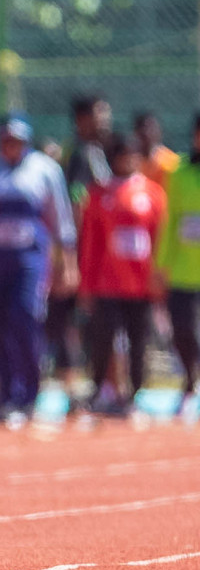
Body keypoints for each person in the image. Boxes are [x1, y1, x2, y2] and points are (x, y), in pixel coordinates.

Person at [0, 116, 77, 427]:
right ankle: (6, 396)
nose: (11, 147)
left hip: (30, 260)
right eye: (6, 140)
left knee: (25, 317)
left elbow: (61, 219)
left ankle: (28, 393)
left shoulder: (45, 170)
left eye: (18, 141)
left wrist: (68, 264)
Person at [78, 134, 164, 417]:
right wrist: (87, 285)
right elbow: (90, 244)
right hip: (108, 284)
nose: (128, 160)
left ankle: (134, 393)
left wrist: (159, 276)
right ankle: (99, 389)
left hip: (141, 285)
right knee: (104, 337)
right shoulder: (99, 194)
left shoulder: (152, 194)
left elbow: (159, 238)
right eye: (122, 154)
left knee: (139, 341)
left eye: (132, 154)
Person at [46, 94, 111, 407]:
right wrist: (68, 258)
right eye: (100, 113)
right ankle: (73, 391)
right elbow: (73, 206)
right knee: (68, 320)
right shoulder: (79, 154)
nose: (106, 120)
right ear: (83, 119)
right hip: (82, 255)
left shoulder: (97, 151)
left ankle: (100, 388)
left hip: (97, 254)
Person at [153, 113, 200, 417]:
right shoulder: (179, 171)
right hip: (183, 268)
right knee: (182, 329)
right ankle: (190, 379)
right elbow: (169, 222)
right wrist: (161, 264)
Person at [134, 112, 180, 192]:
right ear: (136, 132)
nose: (147, 132)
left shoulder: (171, 160)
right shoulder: (130, 162)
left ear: (159, 131)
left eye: (151, 128)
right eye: (143, 128)